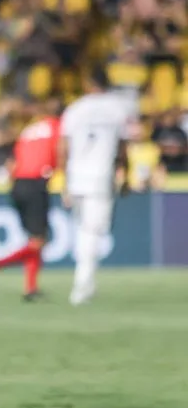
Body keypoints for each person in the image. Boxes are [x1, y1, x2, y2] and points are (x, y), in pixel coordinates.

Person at [56, 69, 131, 305]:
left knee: (83, 230)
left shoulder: (75, 109)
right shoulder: (118, 108)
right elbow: (123, 147)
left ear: (89, 84)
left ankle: (86, 283)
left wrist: (63, 181)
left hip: (76, 176)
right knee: (92, 232)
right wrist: (125, 174)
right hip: (100, 177)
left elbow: (63, 148)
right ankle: (82, 285)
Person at [0, 98, 62, 301]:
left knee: (34, 239)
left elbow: (10, 159)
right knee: (38, 242)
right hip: (35, 183)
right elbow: (61, 150)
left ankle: (30, 288)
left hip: (18, 185)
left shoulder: (29, 130)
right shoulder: (58, 127)